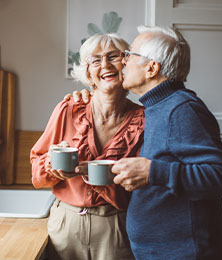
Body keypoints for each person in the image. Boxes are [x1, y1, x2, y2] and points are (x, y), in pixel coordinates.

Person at [109, 26, 222, 259]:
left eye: (129, 55)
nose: (123, 62)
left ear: (152, 67)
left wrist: (152, 172)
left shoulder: (182, 109)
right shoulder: (157, 106)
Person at [30, 33, 144, 260]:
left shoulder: (143, 120)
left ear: (126, 63)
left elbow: (145, 188)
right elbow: (36, 173)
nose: (105, 65)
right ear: (89, 74)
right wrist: (51, 166)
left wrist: (110, 180)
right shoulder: (68, 108)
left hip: (117, 226)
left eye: (113, 56)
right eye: (95, 60)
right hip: (65, 224)